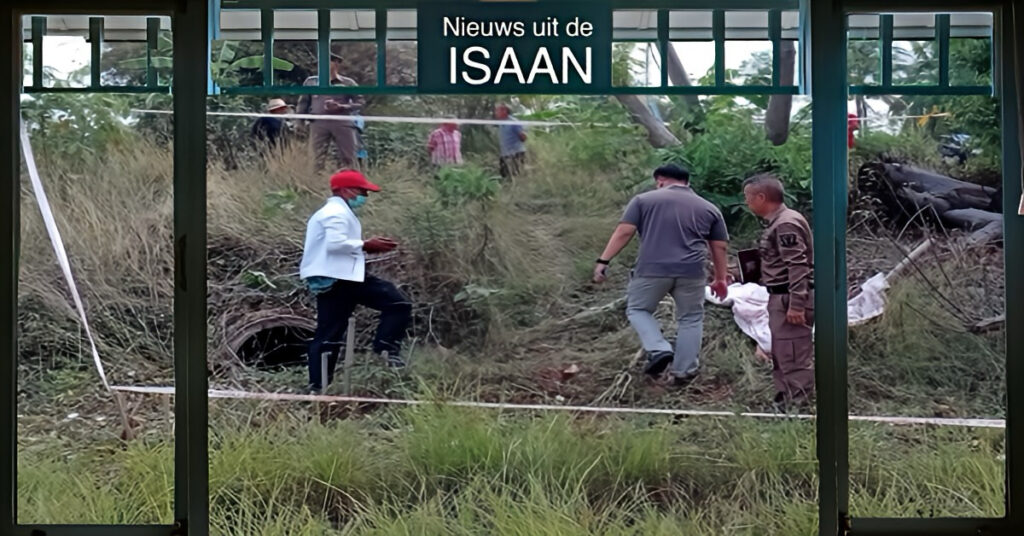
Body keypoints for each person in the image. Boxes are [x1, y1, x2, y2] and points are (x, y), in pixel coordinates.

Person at [593, 164, 730, 385]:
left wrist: (603, 260)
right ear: (687, 182)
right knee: (691, 319)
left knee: (638, 309)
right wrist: (720, 279)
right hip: (692, 272)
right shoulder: (709, 208)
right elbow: (719, 246)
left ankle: (658, 349)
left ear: (661, 180)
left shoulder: (643, 201)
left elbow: (624, 231)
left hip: (652, 269)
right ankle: (684, 372)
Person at [300, 169, 412, 393]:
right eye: (361, 191)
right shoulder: (335, 212)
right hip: (340, 278)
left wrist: (364, 247)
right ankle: (386, 349)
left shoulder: (335, 211)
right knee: (397, 304)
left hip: (338, 276)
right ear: (345, 190)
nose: (364, 196)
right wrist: (365, 245)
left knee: (328, 334)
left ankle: (316, 388)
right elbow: (335, 244)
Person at [742, 173, 814, 410]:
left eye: (748, 197)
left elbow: (797, 265)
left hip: (788, 297)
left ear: (761, 197)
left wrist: (796, 304)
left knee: (793, 352)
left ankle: (798, 403)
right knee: (783, 350)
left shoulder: (785, 224)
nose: (747, 203)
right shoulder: (779, 222)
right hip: (780, 296)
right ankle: (785, 398)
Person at [296, 53, 365, 171]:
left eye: (328, 62)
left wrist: (342, 106)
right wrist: (299, 121)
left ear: (336, 63)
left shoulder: (348, 83)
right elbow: (303, 103)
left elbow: (361, 102)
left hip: (342, 123)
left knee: (349, 157)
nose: (322, 66)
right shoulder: (311, 82)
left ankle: (351, 184)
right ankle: (313, 184)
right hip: (318, 123)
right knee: (315, 157)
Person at [494, 103, 526, 178]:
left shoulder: (513, 122)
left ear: (504, 111)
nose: (496, 113)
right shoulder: (501, 123)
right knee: (505, 176)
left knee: (516, 176)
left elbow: (523, 137)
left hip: (515, 153)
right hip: (505, 154)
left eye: (497, 111)